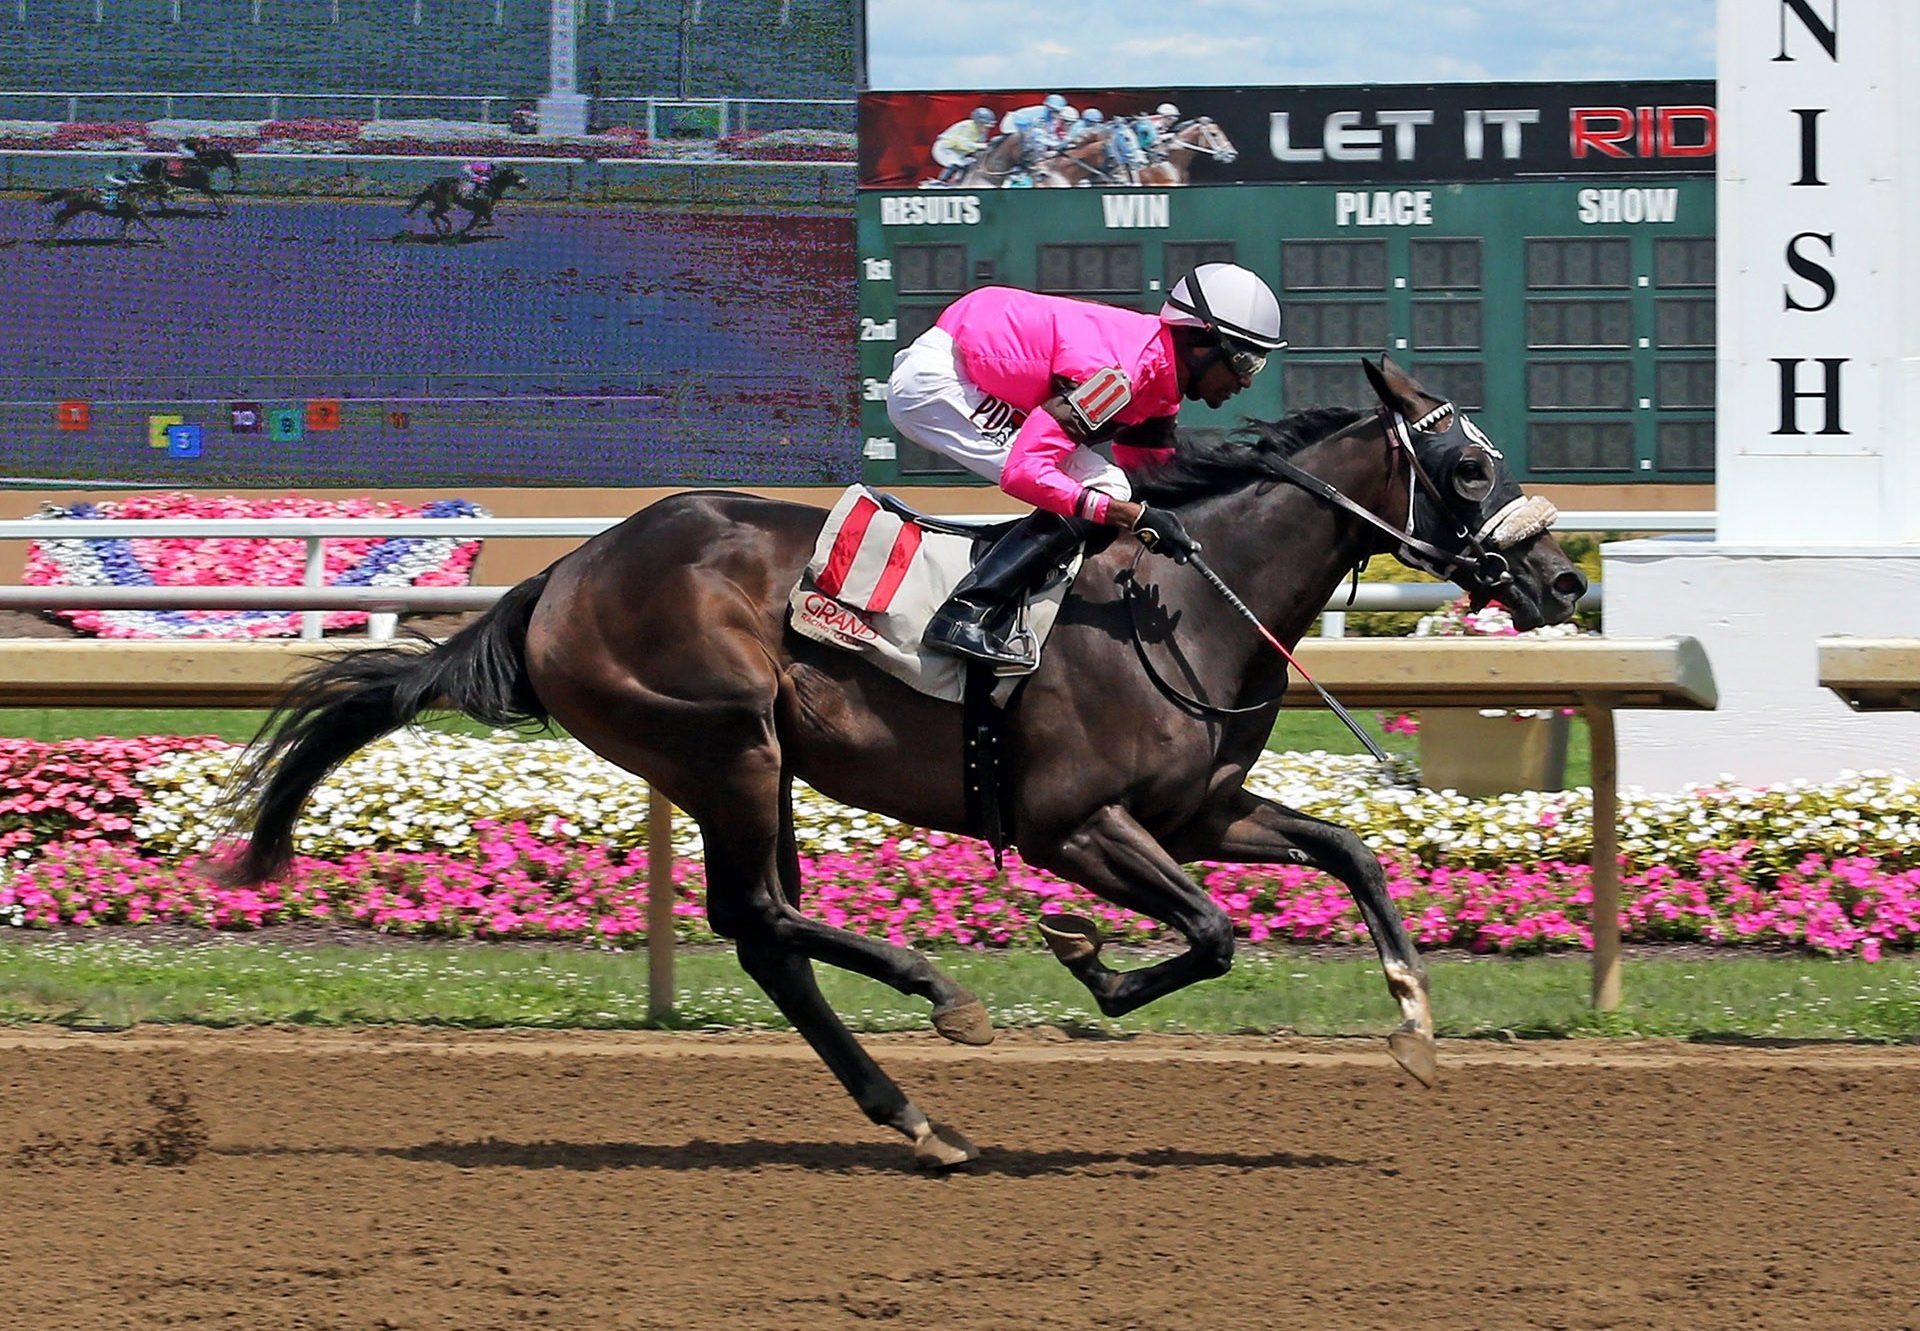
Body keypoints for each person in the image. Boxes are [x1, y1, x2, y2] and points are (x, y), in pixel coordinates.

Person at [885, 263, 1287, 666]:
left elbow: (1157, 483)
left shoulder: (1160, 385)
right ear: (1201, 342)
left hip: (973, 361)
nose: (1246, 381)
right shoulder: (1121, 377)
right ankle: (966, 612)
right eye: (1245, 361)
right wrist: (1130, 515)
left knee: (1114, 488)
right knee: (1108, 490)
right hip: (940, 383)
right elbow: (1025, 472)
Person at [930, 107, 998, 185]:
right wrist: (982, 146)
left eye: (988, 127)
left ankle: (960, 182)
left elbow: (978, 148)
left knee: (971, 163)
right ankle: (941, 181)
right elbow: (963, 144)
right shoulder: (967, 126)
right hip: (945, 149)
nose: (986, 129)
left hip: (958, 152)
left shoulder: (982, 133)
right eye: (984, 125)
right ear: (977, 123)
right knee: (956, 162)